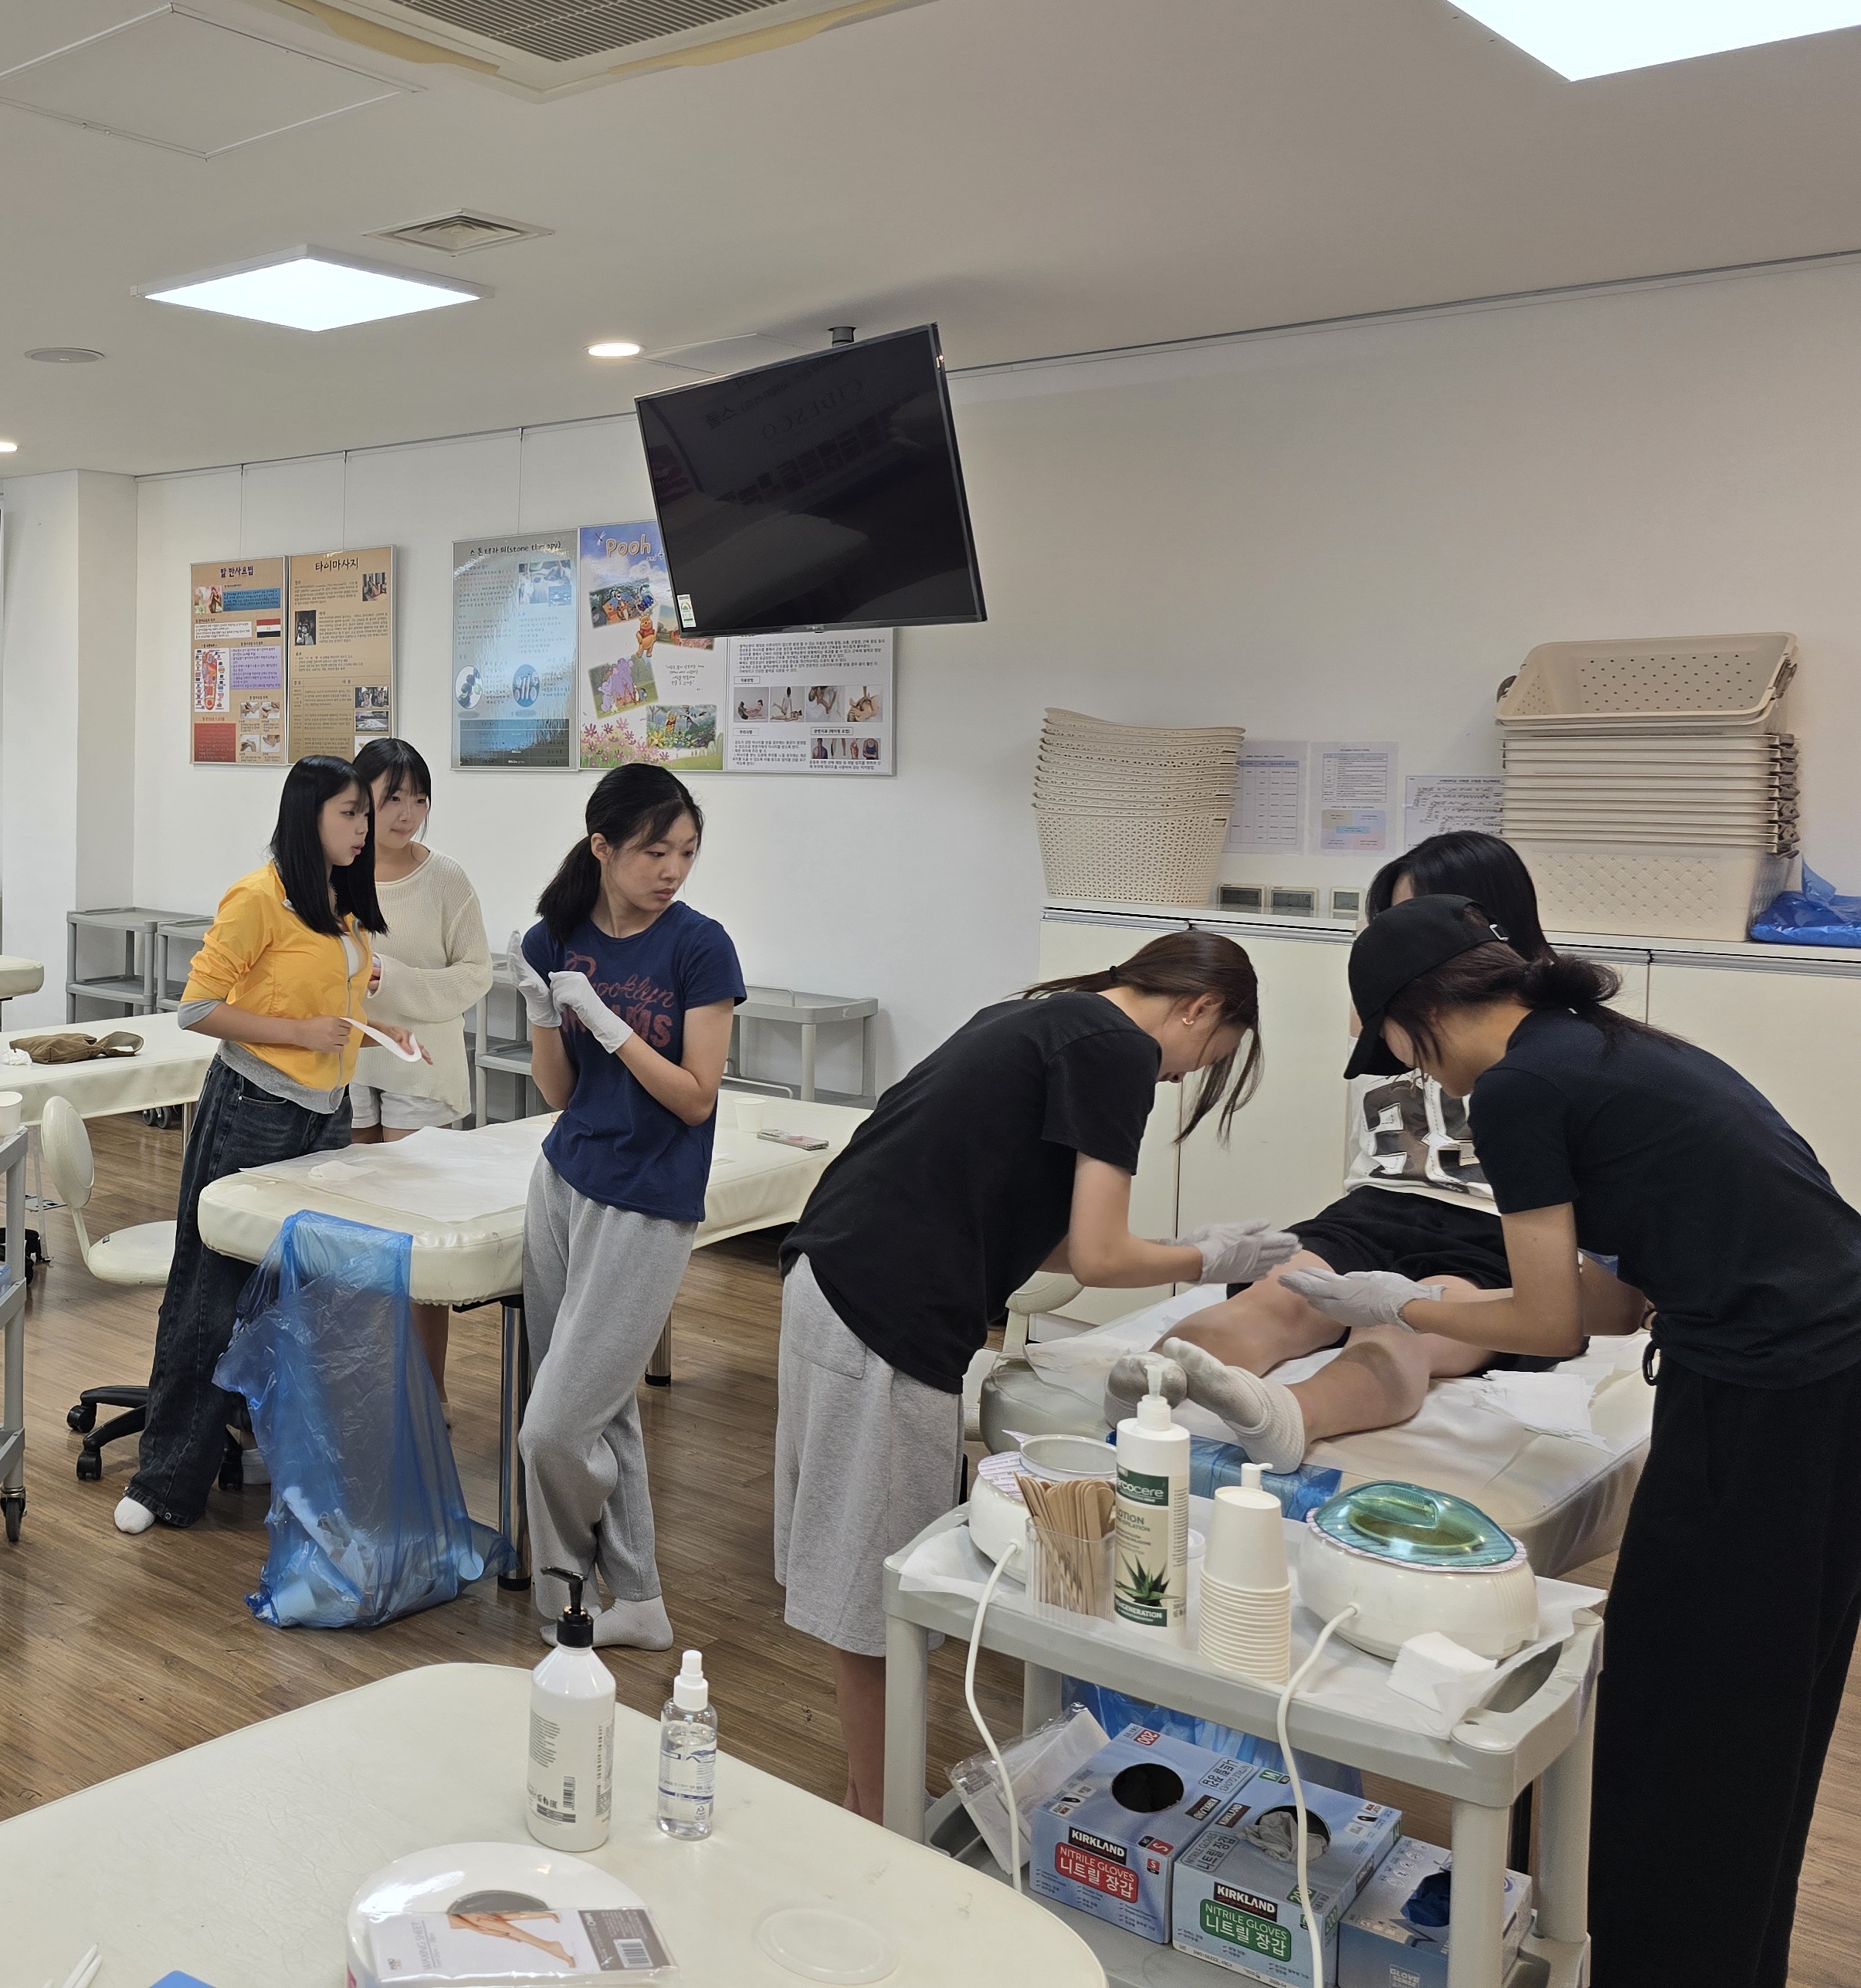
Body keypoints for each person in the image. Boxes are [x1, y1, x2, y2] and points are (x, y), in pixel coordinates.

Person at [1288, 895, 1861, 1987]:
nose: (1413, 1071)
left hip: (1772, 1392)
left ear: (1414, 1021)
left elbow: (1548, 1324)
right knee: (1758, 1696)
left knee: (1692, 1708)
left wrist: (1400, 1304)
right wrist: (1431, 1302)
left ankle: (1661, 1963)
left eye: (1398, 1049)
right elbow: (1617, 1302)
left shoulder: (1518, 1089)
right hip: (1815, 1376)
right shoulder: (1598, 1046)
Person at [771, 930, 1293, 1817]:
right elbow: (1097, 1256)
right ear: (1200, 1006)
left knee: (864, 1570)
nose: (1180, 1079)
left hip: (831, 1273)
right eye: (1205, 1059)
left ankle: (874, 1797)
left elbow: (1038, 1233)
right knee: (877, 1586)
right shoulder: (1118, 1049)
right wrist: (1209, 1258)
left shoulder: (1047, 1017)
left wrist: (1186, 1250)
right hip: (882, 1304)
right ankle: (880, 1817)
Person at [1134, 832, 1646, 1464]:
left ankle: (1295, 1415)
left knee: (1400, 1331)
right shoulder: (1395, 1016)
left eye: (1414, 922)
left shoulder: (1548, 1034)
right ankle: (1151, 1384)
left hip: (1499, 1229)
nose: (1393, 946)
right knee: (1280, 1293)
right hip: (1377, 1207)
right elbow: (1365, 1019)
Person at [117, 754, 410, 1536]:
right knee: (212, 1292)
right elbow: (196, 1009)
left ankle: (273, 1455)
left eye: (365, 813)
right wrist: (297, 1031)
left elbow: (326, 1002)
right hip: (256, 1107)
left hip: (325, 1110)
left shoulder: (341, 898)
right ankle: (164, 1480)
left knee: (300, 1295)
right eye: (350, 813)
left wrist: (376, 1024)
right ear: (309, 815)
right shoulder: (258, 896)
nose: (364, 827)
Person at [509, 764, 744, 1655]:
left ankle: (587, 1593)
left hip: (648, 1197)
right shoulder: (555, 936)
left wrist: (612, 1026)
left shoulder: (700, 947)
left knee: (552, 1429)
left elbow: (694, 1097)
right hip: (563, 1180)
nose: (672, 869)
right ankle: (621, 1600)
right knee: (597, 1410)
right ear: (602, 847)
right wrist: (542, 1014)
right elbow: (559, 1094)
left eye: (686, 851)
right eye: (654, 852)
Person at [350, 735, 493, 1399]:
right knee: (353, 1233)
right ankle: (361, 1390)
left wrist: (396, 980)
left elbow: (476, 974)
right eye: (393, 799)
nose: (408, 814)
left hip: (423, 1065)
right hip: (347, 1061)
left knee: (417, 1238)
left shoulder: (445, 878)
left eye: (419, 799)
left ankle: (425, 1395)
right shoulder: (336, 871)